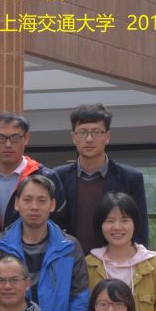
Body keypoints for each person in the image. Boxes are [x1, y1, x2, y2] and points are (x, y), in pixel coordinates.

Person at [0, 174, 88, 311]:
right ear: (17, 204)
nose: (34, 207)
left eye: (42, 200)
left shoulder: (70, 247)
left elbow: (80, 300)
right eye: (28, 200)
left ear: (52, 205)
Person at [50, 104, 149, 257]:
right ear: (74, 138)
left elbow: (139, 229)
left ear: (107, 137)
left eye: (96, 132)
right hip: (69, 261)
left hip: (114, 263)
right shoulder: (58, 177)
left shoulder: (131, 178)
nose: (89, 139)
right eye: (82, 132)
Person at [0, 111, 62, 231]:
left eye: (15, 138)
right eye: (1, 138)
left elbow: (60, 221)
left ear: (26, 138)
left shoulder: (46, 177)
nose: (8, 144)